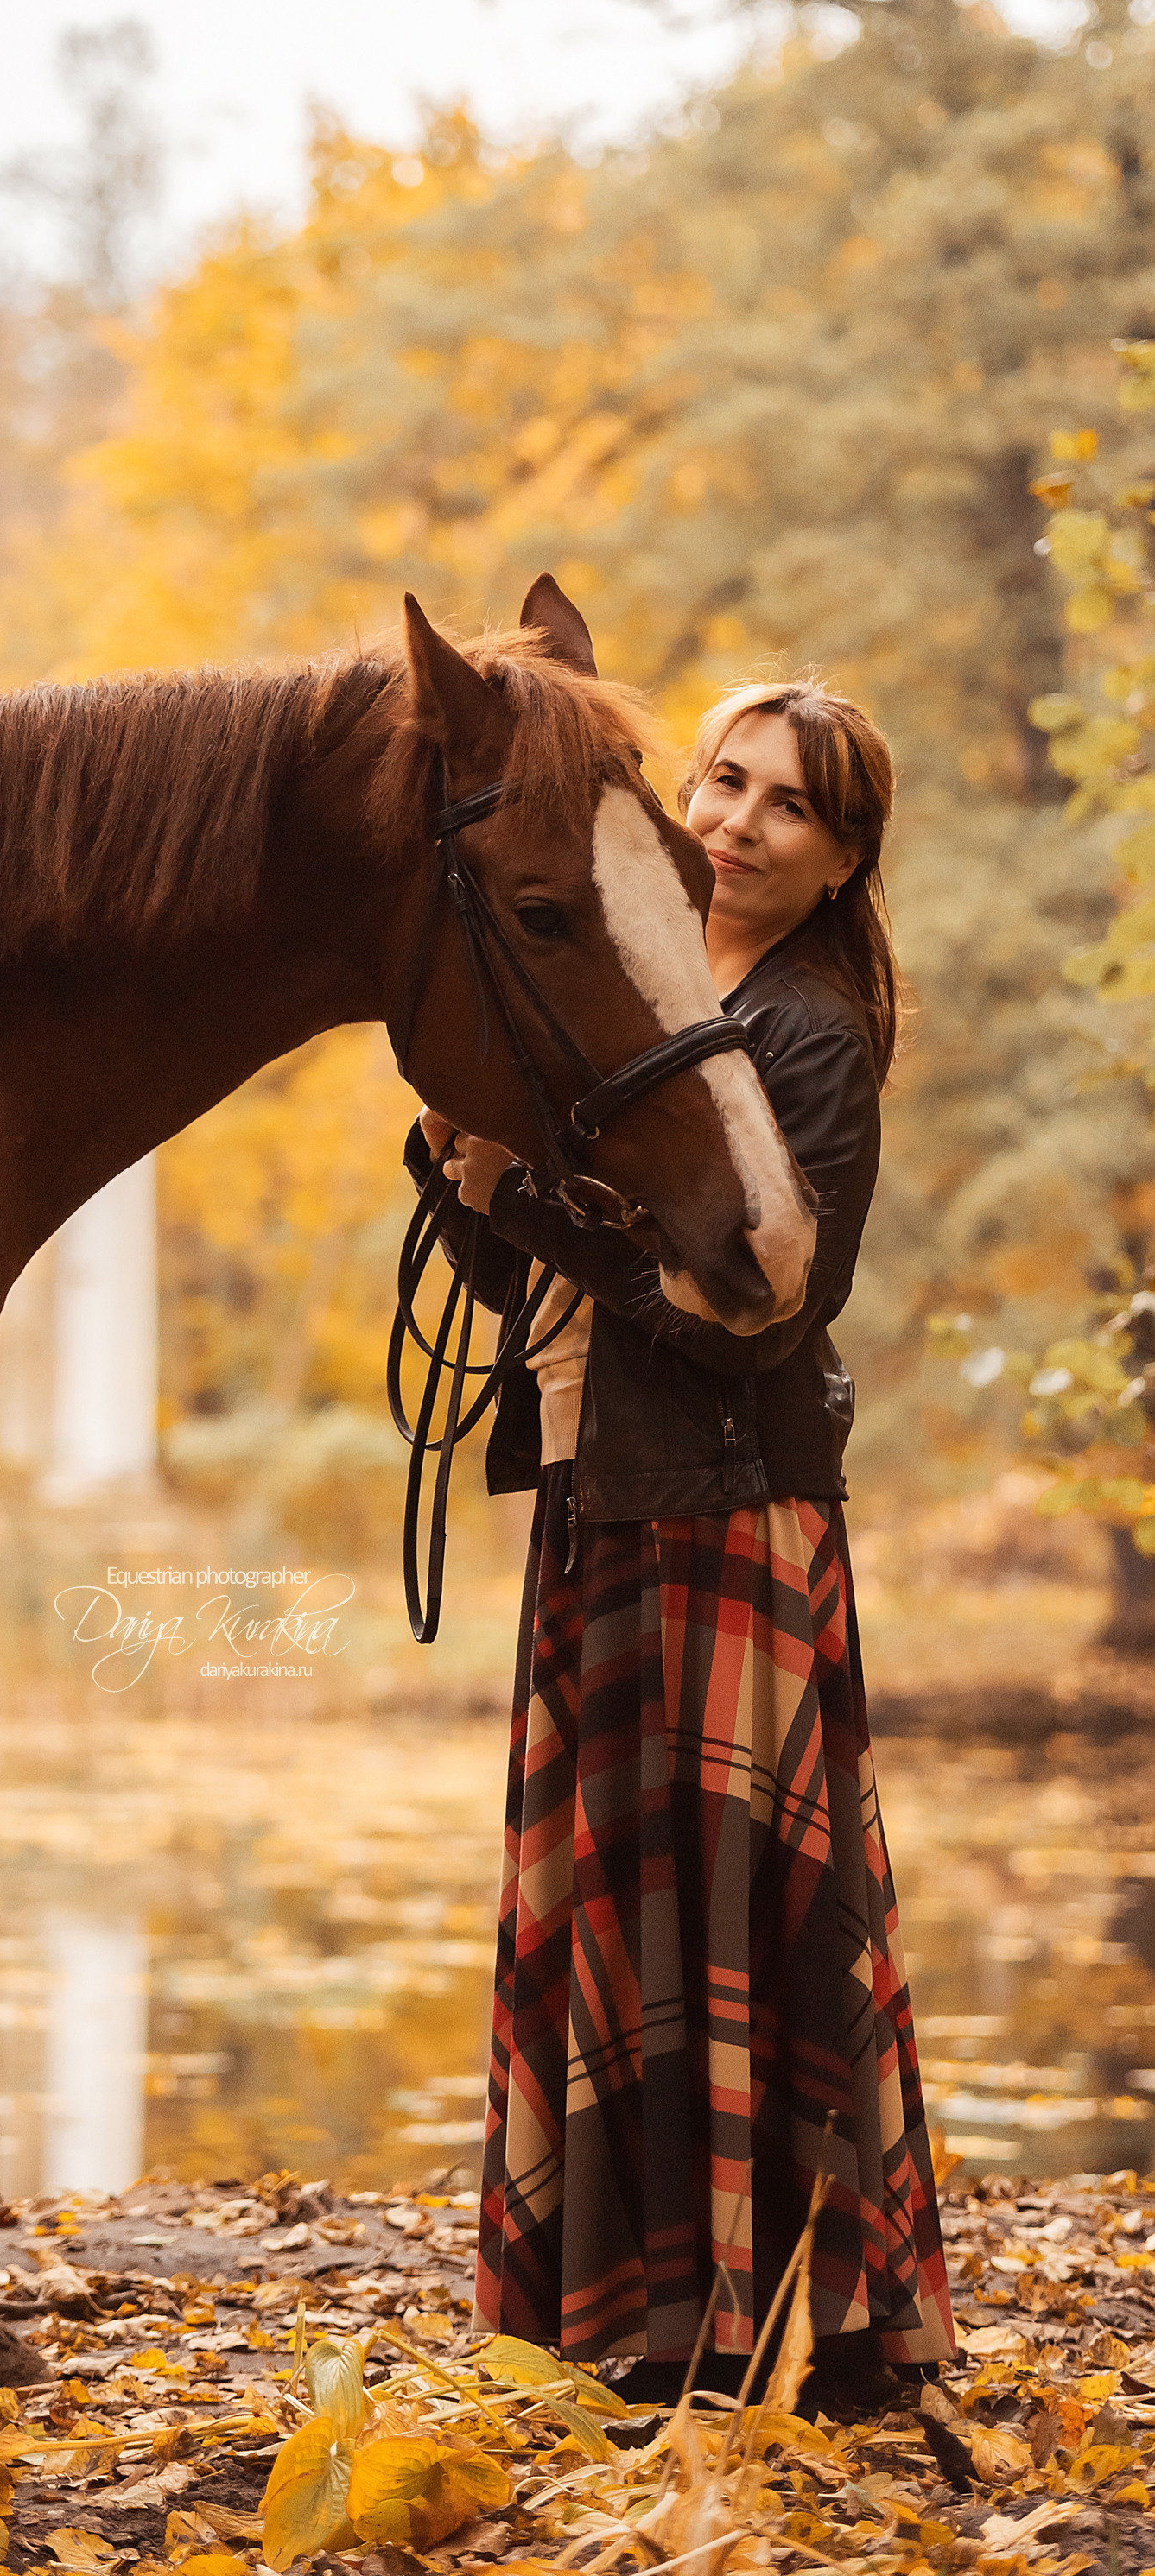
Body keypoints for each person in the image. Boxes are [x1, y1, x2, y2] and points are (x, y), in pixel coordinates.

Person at [408, 676, 953, 2406]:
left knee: (727, 1927)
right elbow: (538, 1279)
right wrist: (463, 1178)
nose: (734, 821)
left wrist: (533, 1199)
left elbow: (758, 1313)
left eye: (787, 805)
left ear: (843, 855)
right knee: (602, 1917)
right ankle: (602, 2311)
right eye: (723, 780)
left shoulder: (806, 1035)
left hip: (730, 1507)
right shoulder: (644, 992)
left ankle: (745, 2327)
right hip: (596, 1489)